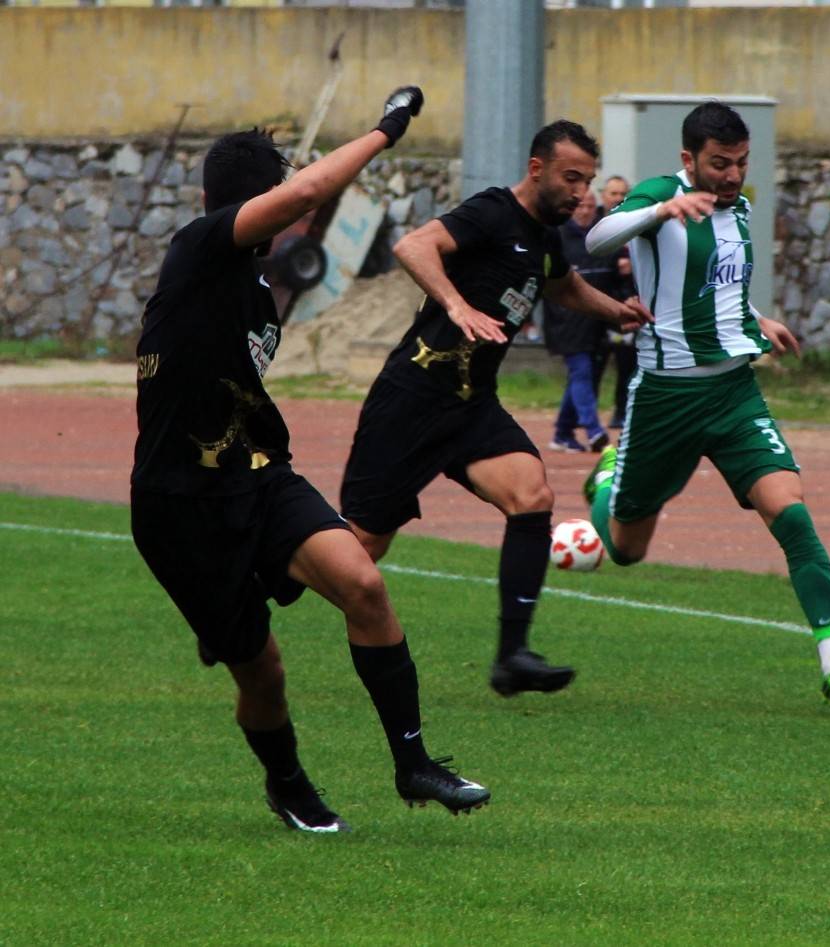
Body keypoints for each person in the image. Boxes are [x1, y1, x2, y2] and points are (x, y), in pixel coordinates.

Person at [130, 87, 491, 836]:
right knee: (261, 672)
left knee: (363, 581)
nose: (296, 209)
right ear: (245, 202)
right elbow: (312, 189)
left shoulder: (260, 287)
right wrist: (386, 130)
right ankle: (288, 784)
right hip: (179, 506)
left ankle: (414, 762)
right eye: (280, 195)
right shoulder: (199, 247)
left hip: (259, 475)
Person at [340, 120, 652, 698]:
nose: (581, 193)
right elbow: (413, 246)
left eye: (586, 180)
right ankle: (240, 602)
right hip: (411, 398)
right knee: (360, 547)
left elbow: (561, 287)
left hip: (470, 405)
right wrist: (456, 305)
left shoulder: (545, 236)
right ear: (538, 170)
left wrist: (617, 312)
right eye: (571, 178)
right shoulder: (491, 212)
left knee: (531, 495)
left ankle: (513, 657)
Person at [582, 101, 830, 719]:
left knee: (791, 515)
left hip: (734, 393)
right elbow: (597, 238)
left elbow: (721, 289)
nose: (732, 175)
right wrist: (659, 210)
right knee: (626, 548)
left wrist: (760, 321)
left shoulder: (743, 208)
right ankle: (607, 479)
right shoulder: (660, 195)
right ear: (689, 160)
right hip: (666, 397)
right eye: (719, 164)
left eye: (740, 163)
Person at [543, 187, 615, 454]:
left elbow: (613, 276)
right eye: (579, 207)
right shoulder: (557, 237)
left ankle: (562, 432)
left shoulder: (602, 238)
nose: (584, 212)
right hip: (565, 322)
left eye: (589, 207)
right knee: (582, 372)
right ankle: (594, 429)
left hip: (596, 322)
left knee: (582, 376)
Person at [593, 175, 638, 429]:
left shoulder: (634, 224)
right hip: (598, 306)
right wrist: (613, 265)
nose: (618, 198)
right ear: (603, 195)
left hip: (627, 305)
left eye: (623, 194)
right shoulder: (594, 225)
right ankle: (584, 416)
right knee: (592, 367)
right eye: (613, 193)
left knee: (626, 366)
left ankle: (621, 412)